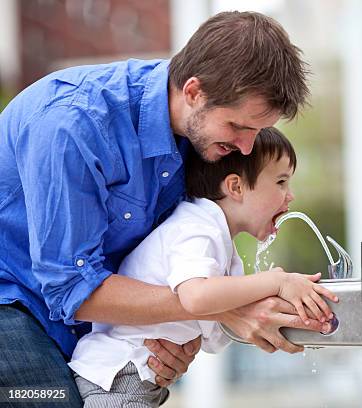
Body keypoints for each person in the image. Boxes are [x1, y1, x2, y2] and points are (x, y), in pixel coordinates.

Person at [0, 11, 331, 406]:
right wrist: (224, 307)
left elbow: (157, 267)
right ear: (194, 92)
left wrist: (177, 332)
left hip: (87, 333)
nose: (246, 148)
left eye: (257, 131)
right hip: (12, 304)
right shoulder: (72, 125)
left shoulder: (201, 137)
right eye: (238, 127)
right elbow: (72, 287)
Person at [69, 127, 337, 407]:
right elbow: (195, 297)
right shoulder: (196, 228)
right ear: (235, 187)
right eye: (281, 182)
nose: (290, 195)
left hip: (139, 375)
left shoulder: (219, 240)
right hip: (120, 373)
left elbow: (216, 338)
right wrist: (277, 282)